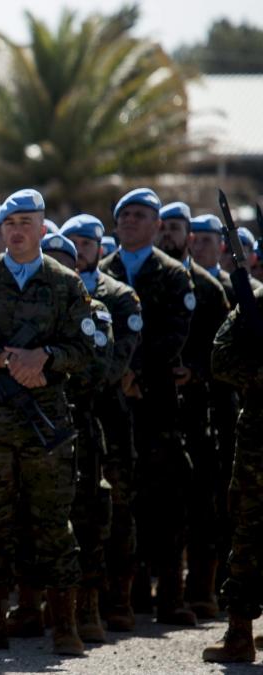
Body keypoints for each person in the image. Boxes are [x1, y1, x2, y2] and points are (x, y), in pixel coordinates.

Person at [0, 188, 93, 657]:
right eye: (9, 223)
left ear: (42, 228)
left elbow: (86, 347)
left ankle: (64, 624)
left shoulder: (66, 283)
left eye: (26, 222)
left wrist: (45, 358)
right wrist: (0, 358)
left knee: (53, 522)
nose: (15, 231)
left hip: (45, 425)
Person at [99, 188, 196, 626]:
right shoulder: (102, 273)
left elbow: (176, 333)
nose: (131, 222)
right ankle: (126, 595)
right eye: (125, 216)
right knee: (120, 500)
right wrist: (120, 372)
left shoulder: (174, 275)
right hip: (114, 404)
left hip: (157, 403)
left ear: (158, 225)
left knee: (166, 500)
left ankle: (171, 596)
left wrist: (137, 371)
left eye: (141, 216)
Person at [59, 214, 143, 632]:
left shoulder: (118, 297)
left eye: (84, 244)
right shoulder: (54, 292)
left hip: (107, 419)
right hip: (61, 420)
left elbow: (112, 364)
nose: (77, 251)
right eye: (69, 243)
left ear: (99, 247)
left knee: (114, 511)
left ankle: (117, 600)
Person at [158, 201, 233, 620]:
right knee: (162, 504)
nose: (169, 234)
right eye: (164, 226)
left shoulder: (208, 289)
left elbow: (225, 352)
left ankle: (202, 589)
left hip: (204, 411)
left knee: (204, 504)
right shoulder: (146, 278)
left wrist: (197, 373)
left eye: (177, 228)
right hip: (159, 410)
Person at [202, 286, 263, 663]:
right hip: (258, 441)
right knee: (248, 532)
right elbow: (220, 357)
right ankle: (239, 633)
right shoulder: (254, 304)